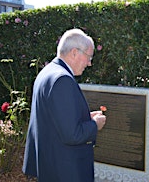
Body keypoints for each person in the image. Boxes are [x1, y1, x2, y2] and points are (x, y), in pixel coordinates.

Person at [22, 28, 107, 182]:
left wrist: (85, 117)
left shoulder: (47, 72)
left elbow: (55, 119)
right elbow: (72, 135)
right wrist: (94, 125)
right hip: (65, 170)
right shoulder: (63, 80)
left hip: (50, 165)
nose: (89, 63)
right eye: (88, 57)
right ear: (74, 52)